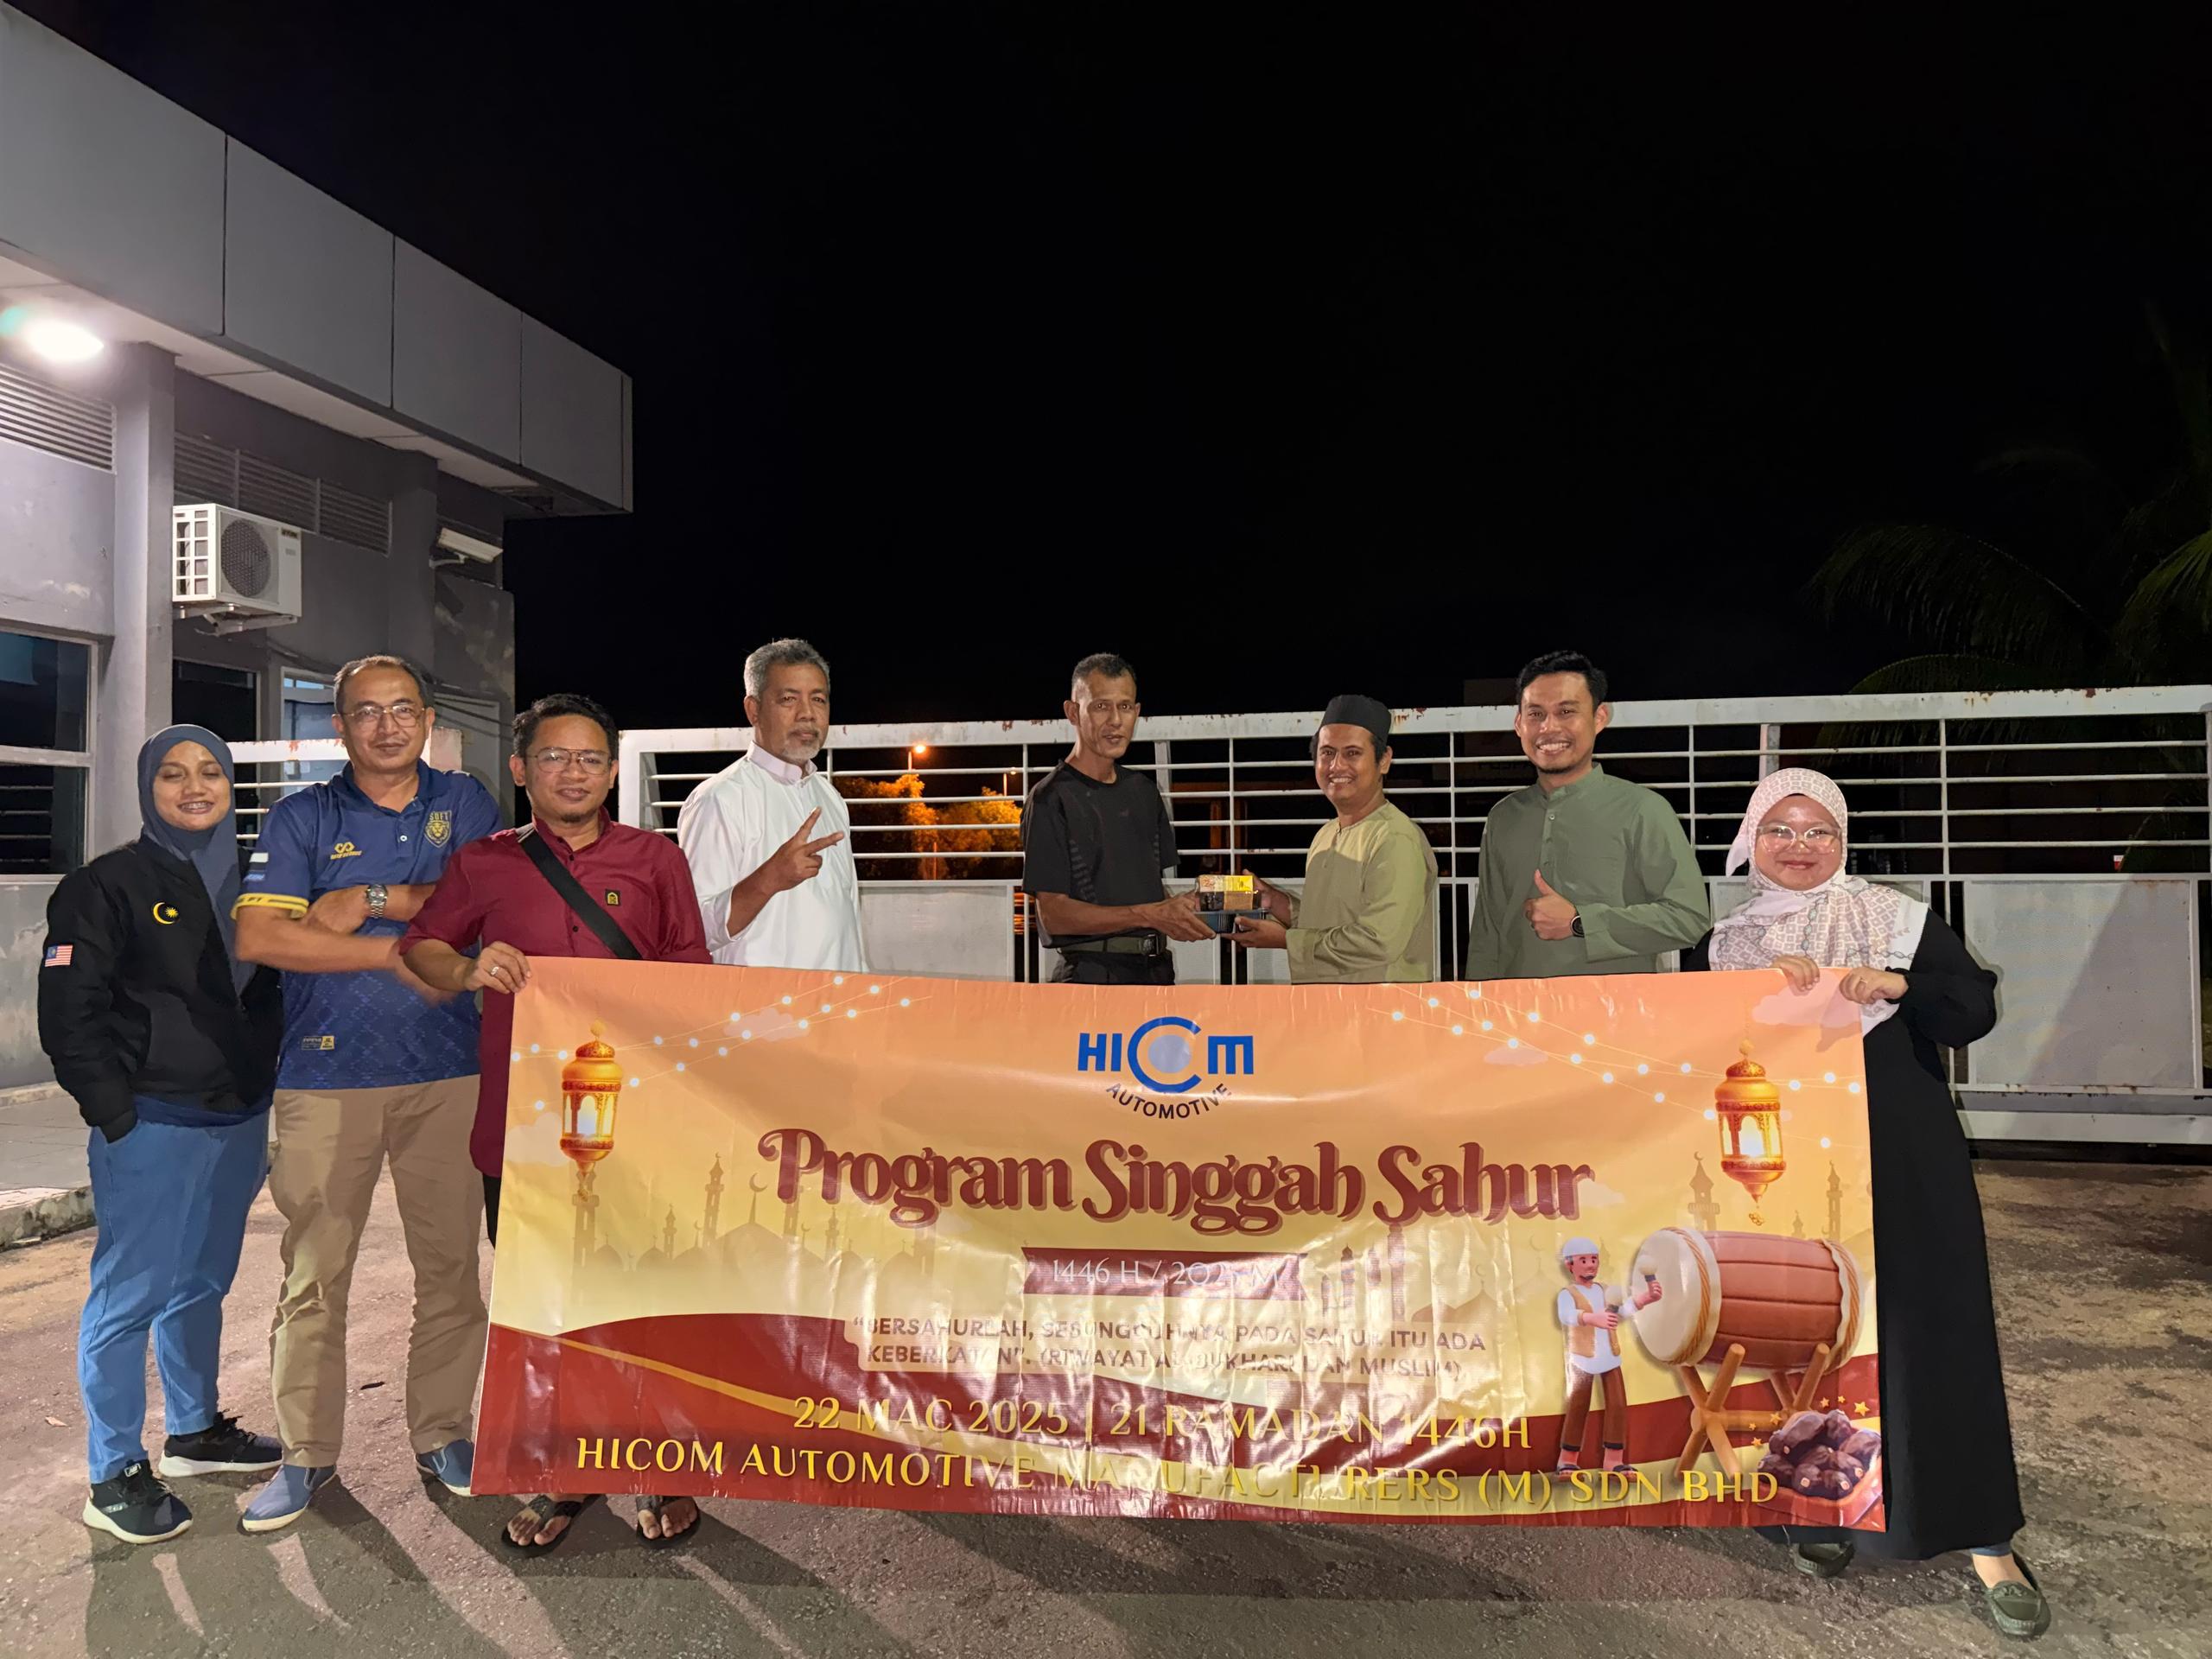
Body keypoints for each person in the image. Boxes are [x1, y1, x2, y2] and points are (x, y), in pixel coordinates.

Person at [1686, 766, 2049, 1641]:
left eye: (1819, 831)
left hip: (1900, 1155)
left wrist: (1897, 987)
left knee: (1928, 1323)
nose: (1799, 847)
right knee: (1810, 1329)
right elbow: (1690, 1045)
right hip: (1787, 1166)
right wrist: (1745, 992)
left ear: (1842, 840)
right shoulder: (1725, 941)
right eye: (1779, 830)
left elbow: (1970, 1012)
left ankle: (1983, 1539)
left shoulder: (1895, 920)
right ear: (1750, 840)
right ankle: (1817, 1508)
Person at [402, 692, 711, 1551]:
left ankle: (656, 1462)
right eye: (553, 757)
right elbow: (422, 945)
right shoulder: (483, 864)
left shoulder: (657, 859)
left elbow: (693, 972)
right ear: (520, 768)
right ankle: (570, 1468)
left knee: (645, 1293)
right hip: (525, 1129)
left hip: (638, 1122)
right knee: (548, 1304)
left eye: (589, 759)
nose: (572, 773)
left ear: (610, 773)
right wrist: (469, 969)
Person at [232, 654, 505, 1533]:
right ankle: (306, 1456)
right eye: (367, 712)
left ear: (428, 719)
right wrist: (402, 944)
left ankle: (444, 1434)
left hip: (449, 1070)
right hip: (325, 1078)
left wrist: (367, 898)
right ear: (340, 725)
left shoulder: (466, 804)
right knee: (314, 1276)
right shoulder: (303, 815)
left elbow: (483, 908)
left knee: (452, 1270)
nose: (387, 726)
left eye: (403, 710)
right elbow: (264, 938)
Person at [37, 728, 285, 1544]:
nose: (194, 786)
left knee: (202, 1282)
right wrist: (115, 1113)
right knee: (129, 1296)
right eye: (173, 774)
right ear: (148, 787)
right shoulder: (104, 885)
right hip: (152, 1122)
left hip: (238, 1116)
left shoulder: (257, 878)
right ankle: (112, 1472)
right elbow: (68, 1014)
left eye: (210, 771)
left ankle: (193, 1430)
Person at [1465, 651, 1708, 982]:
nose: (1549, 727)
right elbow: (1488, 933)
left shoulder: (1643, 809)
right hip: (1519, 1009)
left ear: (1599, 717)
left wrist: (1580, 922)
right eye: (1536, 714)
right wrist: (1477, 1002)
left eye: (1566, 712)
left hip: (1615, 1009)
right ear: (1519, 724)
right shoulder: (1504, 817)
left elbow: (1689, 919)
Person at [677, 638, 867, 972]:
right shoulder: (720, 799)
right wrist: (769, 878)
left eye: (818, 699)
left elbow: (848, 918)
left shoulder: (831, 799)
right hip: (760, 1003)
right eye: (788, 699)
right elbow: (694, 930)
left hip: (838, 1000)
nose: (807, 714)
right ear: (754, 710)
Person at [1022, 652, 1211, 984]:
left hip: (1157, 972)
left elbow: (1147, 892)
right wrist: (1150, 914)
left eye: (1125, 706)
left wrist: (1190, 910)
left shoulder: (1144, 791)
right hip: (1090, 977)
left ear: (1137, 712)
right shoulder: (1049, 798)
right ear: (1073, 712)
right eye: (1100, 706)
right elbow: (1053, 917)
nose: (1115, 720)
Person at [1230, 694, 1438, 982]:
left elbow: (1378, 941)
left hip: (1379, 1006)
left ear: (1384, 760)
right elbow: (1328, 923)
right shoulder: (1325, 836)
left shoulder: (1395, 838)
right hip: (1324, 1004)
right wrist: (1276, 902)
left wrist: (1288, 941)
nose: (1336, 766)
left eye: (1352, 753)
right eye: (1327, 753)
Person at [1553, 1236, 1659, 1476]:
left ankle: (1614, 1461)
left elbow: (1620, 1312)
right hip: (1582, 1359)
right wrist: (1592, 1318)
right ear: (1570, 1265)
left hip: (1610, 1356)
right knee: (1578, 1406)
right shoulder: (1567, 1293)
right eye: (1583, 1260)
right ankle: (1567, 1460)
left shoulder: (1604, 1290)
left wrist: (1645, 1298)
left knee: (1617, 1406)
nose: (1591, 1265)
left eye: (1594, 1259)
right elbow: (1566, 1315)